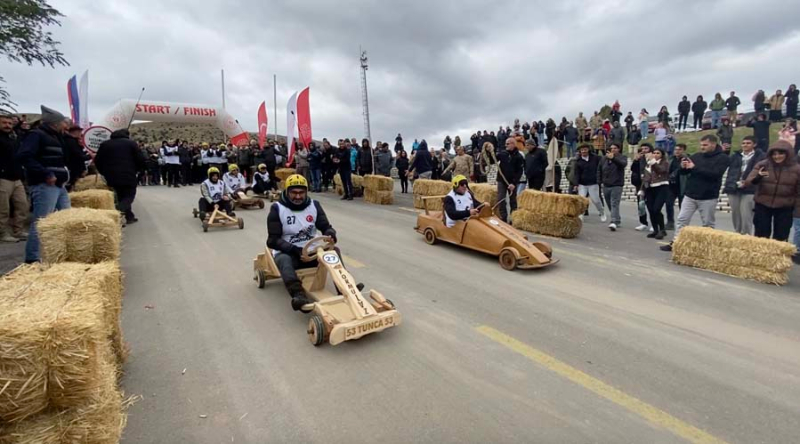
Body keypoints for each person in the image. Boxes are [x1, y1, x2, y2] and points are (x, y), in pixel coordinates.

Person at [266, 174, 350, 311]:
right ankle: (298, 294)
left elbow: (325, 226)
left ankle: (345, 289)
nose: (298, 197)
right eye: (294, 193)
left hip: (313, 251)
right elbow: (272, 240)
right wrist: (294, 250)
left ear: (306, 192)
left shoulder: (314, 205)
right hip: (291, 253)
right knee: (284, 260)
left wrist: (330, 233)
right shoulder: (278, 209)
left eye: (301, 193)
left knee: (334, 252)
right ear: (287, 192)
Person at [15, 105, 71, 263]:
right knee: (41, 221)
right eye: (63, 123)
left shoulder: (56, 136)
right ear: (54, 123)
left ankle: (62, 252)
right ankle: (32, 258)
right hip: (45, 184)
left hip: (59, 185)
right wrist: (45, 173)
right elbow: (25, 156)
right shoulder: (36, 135)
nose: (66, 125)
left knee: (67, 217)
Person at [661, 135, 730, 251]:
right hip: (690, 194)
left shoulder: (723, 158)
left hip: (708, 195)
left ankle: (707, 246)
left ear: (713, 144)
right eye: (701, 145)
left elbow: (715, 174)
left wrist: (694, 168)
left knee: (708, 223)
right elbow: (684, 173)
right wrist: (683, 167)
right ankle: (677, 242)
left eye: (705, 145)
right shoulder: (697, 156)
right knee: (682, 219)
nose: (702, 147)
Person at [743, 141, 799, 241]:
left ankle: (777, 256)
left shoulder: (797, 169)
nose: (777, 157)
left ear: (788, 154)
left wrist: (797, 211)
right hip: (763, 204)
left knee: (781, 235)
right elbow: (748, 182)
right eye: (774, 154)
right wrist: (758, 177)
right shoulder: (763, 164)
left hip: (785, 205)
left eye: (781, 153)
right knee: (761, 234)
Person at [94, 129, 146, 224]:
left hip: (110, 176)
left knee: (121, 195)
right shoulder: (131, 143)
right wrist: (139, 170)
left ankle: (129, 216)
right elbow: (140, 159)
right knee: (129, 195)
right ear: (127, 135)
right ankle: (116, 212)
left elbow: (97, 161)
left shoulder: (105, 144)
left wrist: (103, 172)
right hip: (128, 174)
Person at [723, 136, 766, 235]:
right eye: (743, 143)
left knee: (746, 214)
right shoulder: (736, 156)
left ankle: (746, 235)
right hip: (734, 187)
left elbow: (763, 171)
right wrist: (724, 152)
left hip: (750, 188)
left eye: (748, 143)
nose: (745, 145)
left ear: (754, 144)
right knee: (736, 213)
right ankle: (737, 233)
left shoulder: (761, 156)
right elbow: (724, 163)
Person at [0, 113, 28, 243]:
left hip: (17, 177)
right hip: (3, 177)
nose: (7, 125)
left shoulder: (13, 137)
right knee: (3, 208)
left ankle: (18, 230)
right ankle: (2, 233)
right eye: (4, 123)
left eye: (10, 123)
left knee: (22, 205)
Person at [642, 147, 670, 240]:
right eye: (654, 153)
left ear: (662, 155)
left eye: (658, 153)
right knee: (650, 209)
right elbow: (645, 177)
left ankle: (662, 229)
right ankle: (655, 230)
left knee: (656, 209)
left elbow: (660, 171)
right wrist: (642, 189)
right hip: (650, 188)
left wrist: (653, 162)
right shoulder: (649, 164)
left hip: (661, 187)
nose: (655, 155)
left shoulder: (664, 163)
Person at [496, 137, 524, 223]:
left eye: (508, 144)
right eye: (505, 144)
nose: (506, 145)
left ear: (513, 144)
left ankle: (513, 218)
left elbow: (519, 171)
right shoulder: (502, 154)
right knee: (501, 199)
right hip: (501, 180)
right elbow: (492, 159)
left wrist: (514, 183)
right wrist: (489, 152)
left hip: (512, 182)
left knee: (513, 200)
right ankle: (503, 217)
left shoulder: (519, 157)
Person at [574, 144, 606, 221]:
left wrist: (600, 179)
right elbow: (577, 173)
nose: (583, 151)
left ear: (588, 150)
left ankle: (602, 212)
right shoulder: (578, 161)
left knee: (596, 200)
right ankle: (581, 214)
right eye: (582, 150)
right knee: (581, 200)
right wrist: (576, 184)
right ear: (580, 151)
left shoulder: (595, 158)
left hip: (593, 183)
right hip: (582, 184)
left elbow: (602, 165)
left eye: (585, 149)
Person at [600, 143, 627, 231]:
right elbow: (599, 170)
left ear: (618, 149)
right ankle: (617, 218)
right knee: (609, 203)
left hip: (617, 184)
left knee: (614, 203)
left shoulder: (621, 157)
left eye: (615, 148)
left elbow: (622, 164)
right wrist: (599, 181)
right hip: (606, 184)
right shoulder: (604, 158)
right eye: (611, 148)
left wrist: (613, 159)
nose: (613, 150)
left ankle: (614, 221)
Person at [631, 144, 651, 231]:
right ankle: (643, 222)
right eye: (642, 149)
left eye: (646, 148)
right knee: (641, 205)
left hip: (651, 185)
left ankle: (655, 223)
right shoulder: (639, 159)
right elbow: (633, 169)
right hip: (640, 185)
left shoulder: (653, 159)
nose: (644, 150)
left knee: (651, 206)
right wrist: (635, 161)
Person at [668, 144, 689, 225]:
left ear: (683, 150)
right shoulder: (671, 159)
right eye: (675, 149)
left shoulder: (687, 160)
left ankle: (682, 223)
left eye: (679, 149)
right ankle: (670, 222)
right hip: (671, 185)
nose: (677, 151)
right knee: (669, 204)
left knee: (682, 206)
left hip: (682, 185)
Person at [63, 124, 88, 191]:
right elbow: (78, 156)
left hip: (73, 168)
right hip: (73, 168)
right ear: (75, 132)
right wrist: (90, 156)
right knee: (71, 186)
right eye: (79, 131)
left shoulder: (72, 141)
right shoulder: (71, 141)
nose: (80, 133)